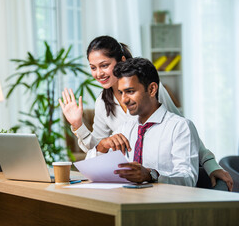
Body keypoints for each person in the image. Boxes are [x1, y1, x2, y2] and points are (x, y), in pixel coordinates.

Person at [59, 36, 233, 189]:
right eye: (93, 68)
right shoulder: (105, 105)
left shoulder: (152, 90)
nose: (99, 73)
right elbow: (98, 150)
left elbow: (182, 130)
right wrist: (78, 125)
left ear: (121, 60)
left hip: (165, 185)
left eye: (104, 65)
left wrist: (211, 165)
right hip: (132, 189)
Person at [112, 57, 199, 185]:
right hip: (127, 200)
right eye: (121, 93)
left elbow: (188, 178)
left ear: (152, 89)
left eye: (130, 91)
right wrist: (102, 147)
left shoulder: (180, 127)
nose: (124, 100)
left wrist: (151, 175)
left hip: (163, 203)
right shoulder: (125, 128)